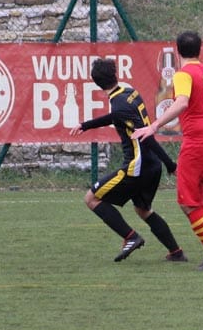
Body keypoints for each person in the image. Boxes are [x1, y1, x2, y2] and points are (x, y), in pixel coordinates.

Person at [70, 58, 187, 263]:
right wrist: (86, 125)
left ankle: (131, 237)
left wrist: (170, 164)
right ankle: (175, 252)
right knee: (143, 210)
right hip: (151, 164)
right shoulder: (128, 91)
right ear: (115, 75)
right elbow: (116, 117)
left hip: (137, 166)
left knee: (91, 198)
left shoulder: (118, 105)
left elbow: (145, 136)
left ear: (97, 83)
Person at [133, 31, 203, 271]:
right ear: (199, 50)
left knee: (188, 202)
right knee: (201, 200)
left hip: (198, 142)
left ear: (178, 52)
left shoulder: (183, 74)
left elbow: (182, 101)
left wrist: (155, 125)